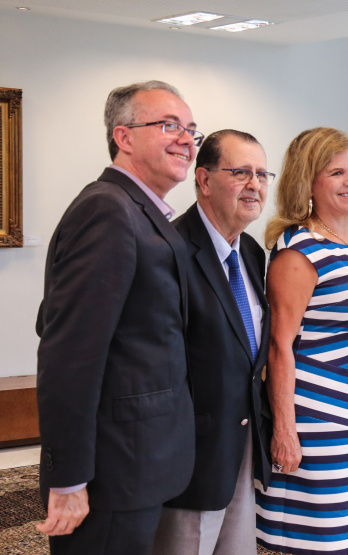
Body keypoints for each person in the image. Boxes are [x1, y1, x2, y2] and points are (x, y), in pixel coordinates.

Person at [34, 80, 201, 554]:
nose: (186, 139)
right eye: (168, 125)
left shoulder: (140, 211)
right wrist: (68, 479)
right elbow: (69, 355)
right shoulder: (107, 211)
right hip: (112, 470)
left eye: (191, 129)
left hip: (138, 462)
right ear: (123, 137)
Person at [254, 127, 348, 554]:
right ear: (308, 183)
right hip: (314, 418)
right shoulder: (297, 252)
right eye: (337, 173)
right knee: (313, 540)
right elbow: (279, 347)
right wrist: (284, 429)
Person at [152, 130, 274, 555]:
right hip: (190, 459)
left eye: (261, 174)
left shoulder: (253, 254)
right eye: (240, 172)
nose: (254, 184)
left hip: (241, 447)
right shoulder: (170, 249)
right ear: (203, 180)